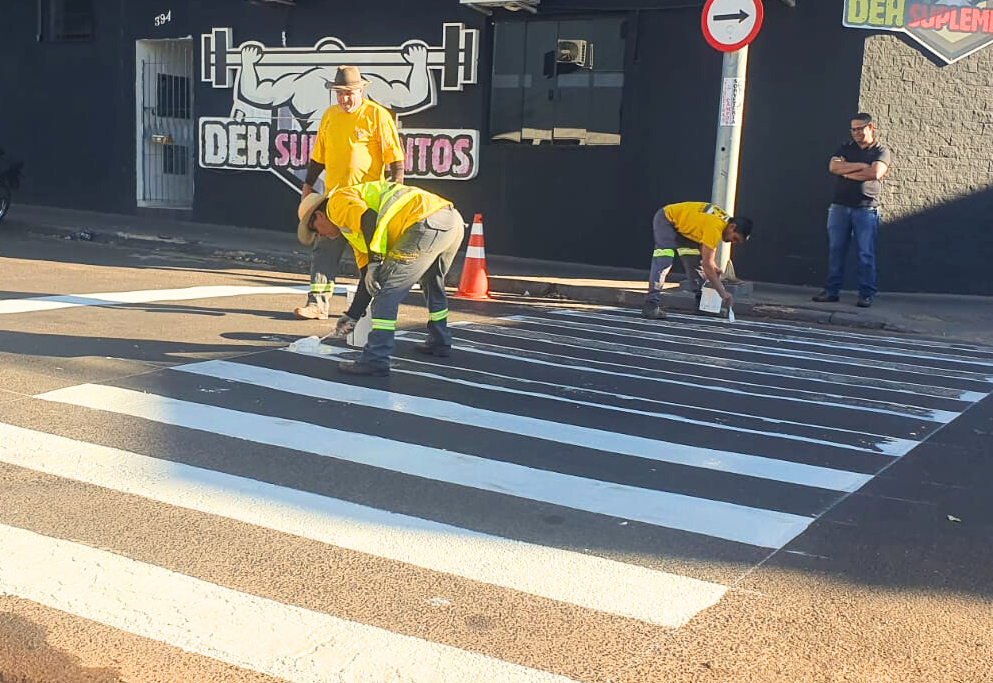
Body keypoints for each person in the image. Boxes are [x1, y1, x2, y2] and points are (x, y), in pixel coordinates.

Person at [296, 180, 465, 376]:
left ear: (319, 215)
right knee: (433, 283)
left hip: (424, 223)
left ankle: (376, 359)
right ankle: (440, 341)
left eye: (316, 231)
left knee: (386, 295)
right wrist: (352, 315)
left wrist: (376, 262)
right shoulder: (354, 233)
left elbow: (370, 218)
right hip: (450, 220)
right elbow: (367, 278)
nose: (320, 236)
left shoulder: (336, 204)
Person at [294, 65, 406, 321]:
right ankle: (317, 305)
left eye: (349, 93)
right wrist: (307, 186)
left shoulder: (377, 115)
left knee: (368, 258)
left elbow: (396, 160)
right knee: (324, 251)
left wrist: (395, 192)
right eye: (340, 94)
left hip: (365, 205)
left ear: (361, 90)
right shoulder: (330, 116)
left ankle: (369, 309)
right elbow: (318, 157)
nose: (345, 99)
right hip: (333, 201)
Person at [812, 113, 891, 308]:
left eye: (859, 129)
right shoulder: (845, 148)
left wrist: (847, 171)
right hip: (839, 207)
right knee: (836, 250)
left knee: (865, 253)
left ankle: (866, 294)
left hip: (866, 209)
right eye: (853, 129)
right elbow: (833, 167)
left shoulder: (881, 150)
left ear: (870, 128)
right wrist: (860, 167)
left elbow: (875, 173)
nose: (855, 133)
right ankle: (831, 291)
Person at [642, 202, 752, 320]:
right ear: (732, 227)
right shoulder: (715, 227)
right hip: (667, 219)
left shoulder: (723, 221)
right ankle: (651, 305)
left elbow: (701, 238)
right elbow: (707, 265)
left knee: (694, 262)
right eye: (735, 238)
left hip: (684, 229)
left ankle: (702, 305)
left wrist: (712, 265)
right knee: (664, 260)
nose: (733, 242)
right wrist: (723, 293)